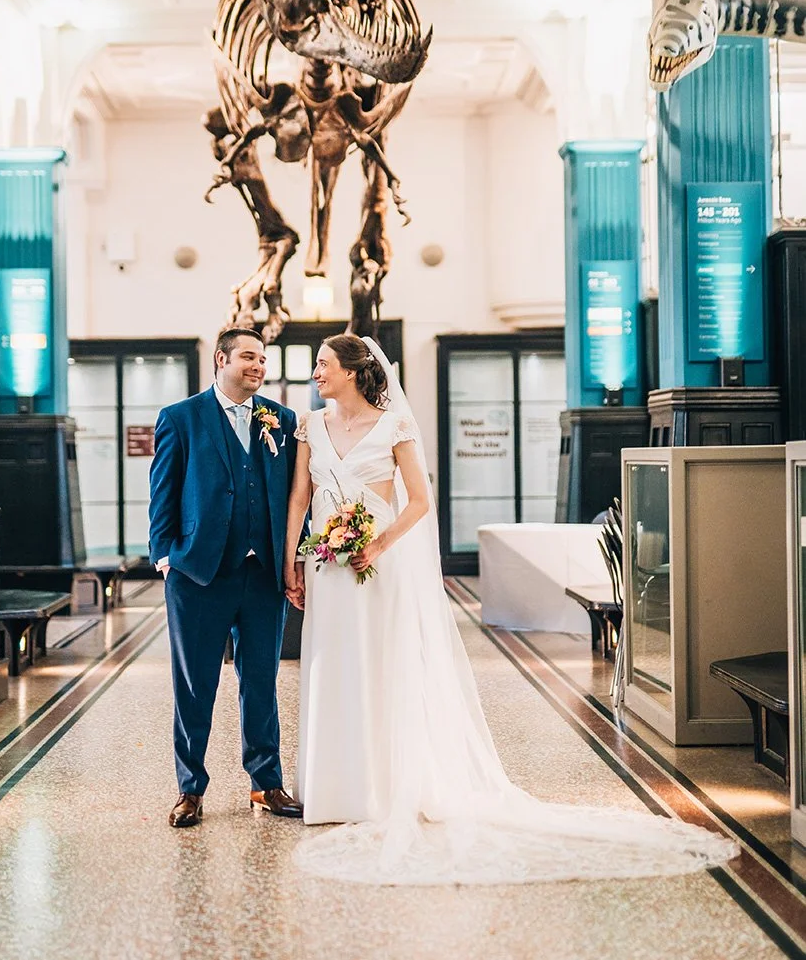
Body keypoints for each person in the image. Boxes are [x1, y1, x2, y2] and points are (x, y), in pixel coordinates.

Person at [283, 334, 739, 886]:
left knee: (381, 667)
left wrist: (378, 544)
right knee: (331, 668)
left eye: (324, 363)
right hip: (327, 567)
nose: (316, 372)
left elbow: (420, 502)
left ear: (353, 372)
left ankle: (379, 787)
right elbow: (300, 499)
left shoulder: (394, 426)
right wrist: (292, 562)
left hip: (377, 564)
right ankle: (331, 787)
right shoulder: (310, 426)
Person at [148, 327, 302, 827]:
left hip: (262, 575)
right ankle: (190, 789)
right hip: (198, 574)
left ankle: (266, 783)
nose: (258, 366)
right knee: (195, 685)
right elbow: (163, 492)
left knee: (261, 681)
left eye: (263, 359)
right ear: (221, 359)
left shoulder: (281, 420)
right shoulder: (181, 418)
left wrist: (293, 560)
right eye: (248, 357)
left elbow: (292, 496)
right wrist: (165, 557)